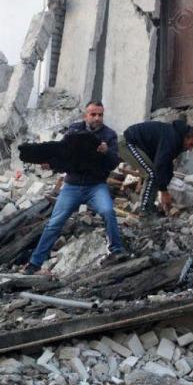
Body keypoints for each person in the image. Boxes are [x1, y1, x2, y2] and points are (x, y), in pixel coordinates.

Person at [22, 101, 128, 275]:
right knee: (54, 223)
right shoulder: (74, 131)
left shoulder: (109, 135)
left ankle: (116, 250)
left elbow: (114, 162)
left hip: (96, 186)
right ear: (86, 115)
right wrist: (51, 164)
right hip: (72, 186)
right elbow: (63, 155)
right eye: (93, 114)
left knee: (108, 211)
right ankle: (35, 263)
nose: (97, 118)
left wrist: (106, 152)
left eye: (100, 114)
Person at [119, 120, 193, 215]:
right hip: (128, 143)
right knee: (151, 174)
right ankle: (145, 213)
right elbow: (160, 165)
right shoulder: (172, 138)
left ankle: (150, 207)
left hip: (138, 145)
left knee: (157, 175)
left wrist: (166, 187)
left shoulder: (178, 140)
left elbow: (167, 164)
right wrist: (164, 192)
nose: (190, 149)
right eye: (191, 144)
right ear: (186, 137)